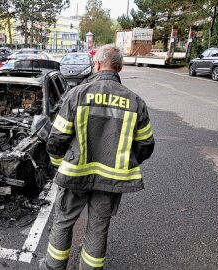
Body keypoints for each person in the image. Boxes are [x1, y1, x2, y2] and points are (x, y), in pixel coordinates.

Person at [39, 45, 155, 270]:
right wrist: (123, 164)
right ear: (119, 67)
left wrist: (59, 165)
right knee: (99, 226)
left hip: (75, 175)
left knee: (63, 221)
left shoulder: (77, 94)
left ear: (98, 65)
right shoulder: (135, 101)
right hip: (111, 180)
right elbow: (146, 145)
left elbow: (56, 139)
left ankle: (53, 266)